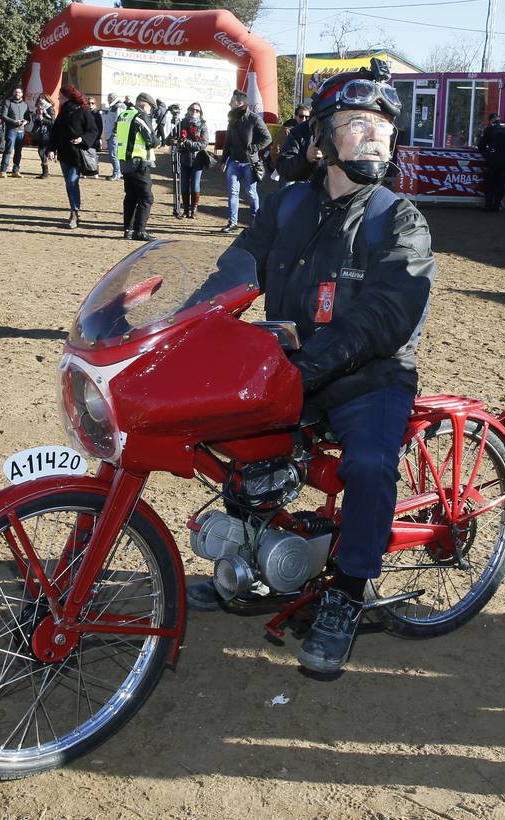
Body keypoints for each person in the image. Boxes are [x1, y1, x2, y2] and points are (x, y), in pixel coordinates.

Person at [188, 59, 436, 677]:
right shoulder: (286, 205)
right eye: (357, 123)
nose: (375, 134)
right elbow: (236, 270)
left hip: (368, 375)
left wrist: (313, 366)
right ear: (324, 138)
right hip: (289, 365)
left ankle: (349, 593)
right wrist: (186, 323)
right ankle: (245, 560)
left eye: (383, 123)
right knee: (239, 443)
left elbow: (386, 315)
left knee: (372, 463)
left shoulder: (399, 219)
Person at [48, 85, 99, 229]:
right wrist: (51, 148)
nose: (58, 98)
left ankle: (75, 211)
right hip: (64, 154)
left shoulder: (83, 111)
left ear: (68, 96)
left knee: (72, 181)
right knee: (69, 184)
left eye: (61, 96)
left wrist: (82, 139)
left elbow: (93, 130)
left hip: (78, 154)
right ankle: (73, 211)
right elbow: (55, 132)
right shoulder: (62, 112)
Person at [222, 88, 272, 233]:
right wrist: (224, 160)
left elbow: (267, 138)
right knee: (233, 192)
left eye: (232, 101)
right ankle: (232, 223)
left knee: (251, 193)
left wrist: (254, 148)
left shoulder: (255, 119)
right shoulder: (232, 119)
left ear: (240, 104)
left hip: (250, 163)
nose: (229, 103)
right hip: (234, 162)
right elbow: (228, 141)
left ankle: (256, 223)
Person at [115, 91, 159, 241]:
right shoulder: (140, 116)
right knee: (147, 197)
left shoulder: (124, 115)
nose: (150, 111)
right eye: (150, 108)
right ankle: (139, 231)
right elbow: (151, 140)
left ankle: (128, 229)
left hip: (125, 162)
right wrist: (157, 141)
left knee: (131, 197)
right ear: (144, 104)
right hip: (139, 162)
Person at [175, 103, 209, 219]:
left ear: (200, 113)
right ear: (188, 110)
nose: (194, 112)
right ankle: (185, 209)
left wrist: (188, 143)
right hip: (184, 159)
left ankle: (194, 209)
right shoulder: (182, 123)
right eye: (192, 109)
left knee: (195, 185)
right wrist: (173, 140)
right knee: (184, 185)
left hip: (197, 160)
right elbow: (172, 136)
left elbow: (204, 144)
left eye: (197, 110)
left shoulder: (203, 125)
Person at [476, 112, 505, 212]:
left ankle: (488, 206)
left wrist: (487, 151)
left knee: (490, 183)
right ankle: (496, 206)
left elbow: (481, 146)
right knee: (500, 184)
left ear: (491, 120)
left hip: (493, 160)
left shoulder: (490, 129)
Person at [275, 103, 320, 186]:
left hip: (307, 177)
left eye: (307, 117)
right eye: (301, 116)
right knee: (286, 192)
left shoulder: (314, 130)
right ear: (295, 116)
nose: (304, 119)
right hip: (289, 172)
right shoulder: (288, 129)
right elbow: (277, 148)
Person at [0, 86, 30, 178]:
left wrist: (26, 122)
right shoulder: (8, 102)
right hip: (11, 130)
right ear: (13, 93)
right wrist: (14, 122)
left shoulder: (25, 105)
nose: (17, 94)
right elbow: (3, 115)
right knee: (8, 150)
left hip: (21, 131)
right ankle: (3, 170)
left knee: (18, 152)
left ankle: (15, 171)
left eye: (19, 92)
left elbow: (28, 118)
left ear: (22, 94)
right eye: (16, 92)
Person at [30, 94, 56, 179]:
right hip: (39, 132)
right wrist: (35, 117)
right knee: (41, 151)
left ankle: (45, 172)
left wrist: (42, 119)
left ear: (47, 99)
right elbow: (37, 121)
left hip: (47, 133)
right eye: (40, 98)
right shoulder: (38, 109)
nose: (41, 100)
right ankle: (45, 172)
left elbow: (52, 122)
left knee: (42, 151)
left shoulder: (50, 108)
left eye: (43, 98)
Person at [102, 93, 125, 181]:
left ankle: (117, 173)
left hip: (114, 134)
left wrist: (115, 131)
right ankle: (118, 172)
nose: (108, 100)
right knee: (114, 154)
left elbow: (119, 119)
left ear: (111, 98)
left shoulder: (119, 106)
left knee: (114, 154)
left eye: (108, 98)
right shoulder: (113, 106)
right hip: (111, 133)